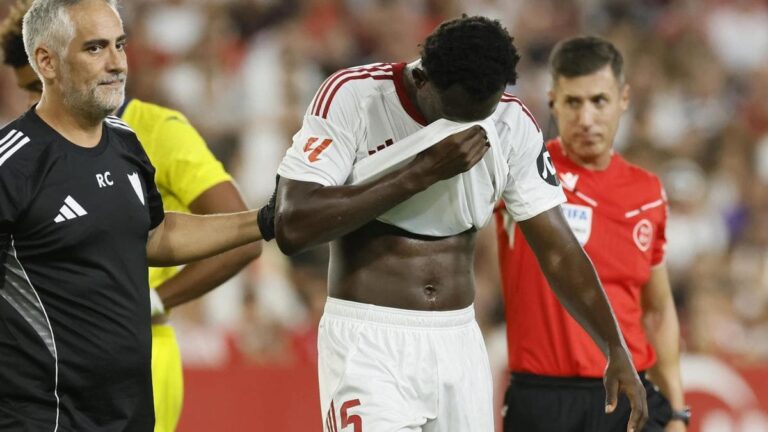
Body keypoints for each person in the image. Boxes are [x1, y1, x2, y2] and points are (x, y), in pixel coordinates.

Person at [269, 15, 647, 431]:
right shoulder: (355, 96)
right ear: (423, 79)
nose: (466, 130)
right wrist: (420, 173)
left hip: (459, 343)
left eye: (480, 114)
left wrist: (614, 346)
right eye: (454, 114)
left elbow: (559, 251)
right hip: (369, 343)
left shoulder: (511, 121)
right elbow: (292, 224)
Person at [0, 0, 266, 430]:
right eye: (27, 88)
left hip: (142, 366)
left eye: (118, 46)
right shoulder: (18, 159)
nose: (34, 100)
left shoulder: (142, 133)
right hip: (49, 393)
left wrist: (159, 299)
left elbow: (168, 234)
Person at [495, 36, 689, 431]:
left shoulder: (649, 192)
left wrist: (678, 411)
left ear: (623, 99)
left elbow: (657, 309)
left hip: (631, 395)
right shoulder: (523, 170)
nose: (585, 118)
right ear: (553, 102)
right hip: (544, 399)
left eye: (599, 101)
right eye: (573, 102)